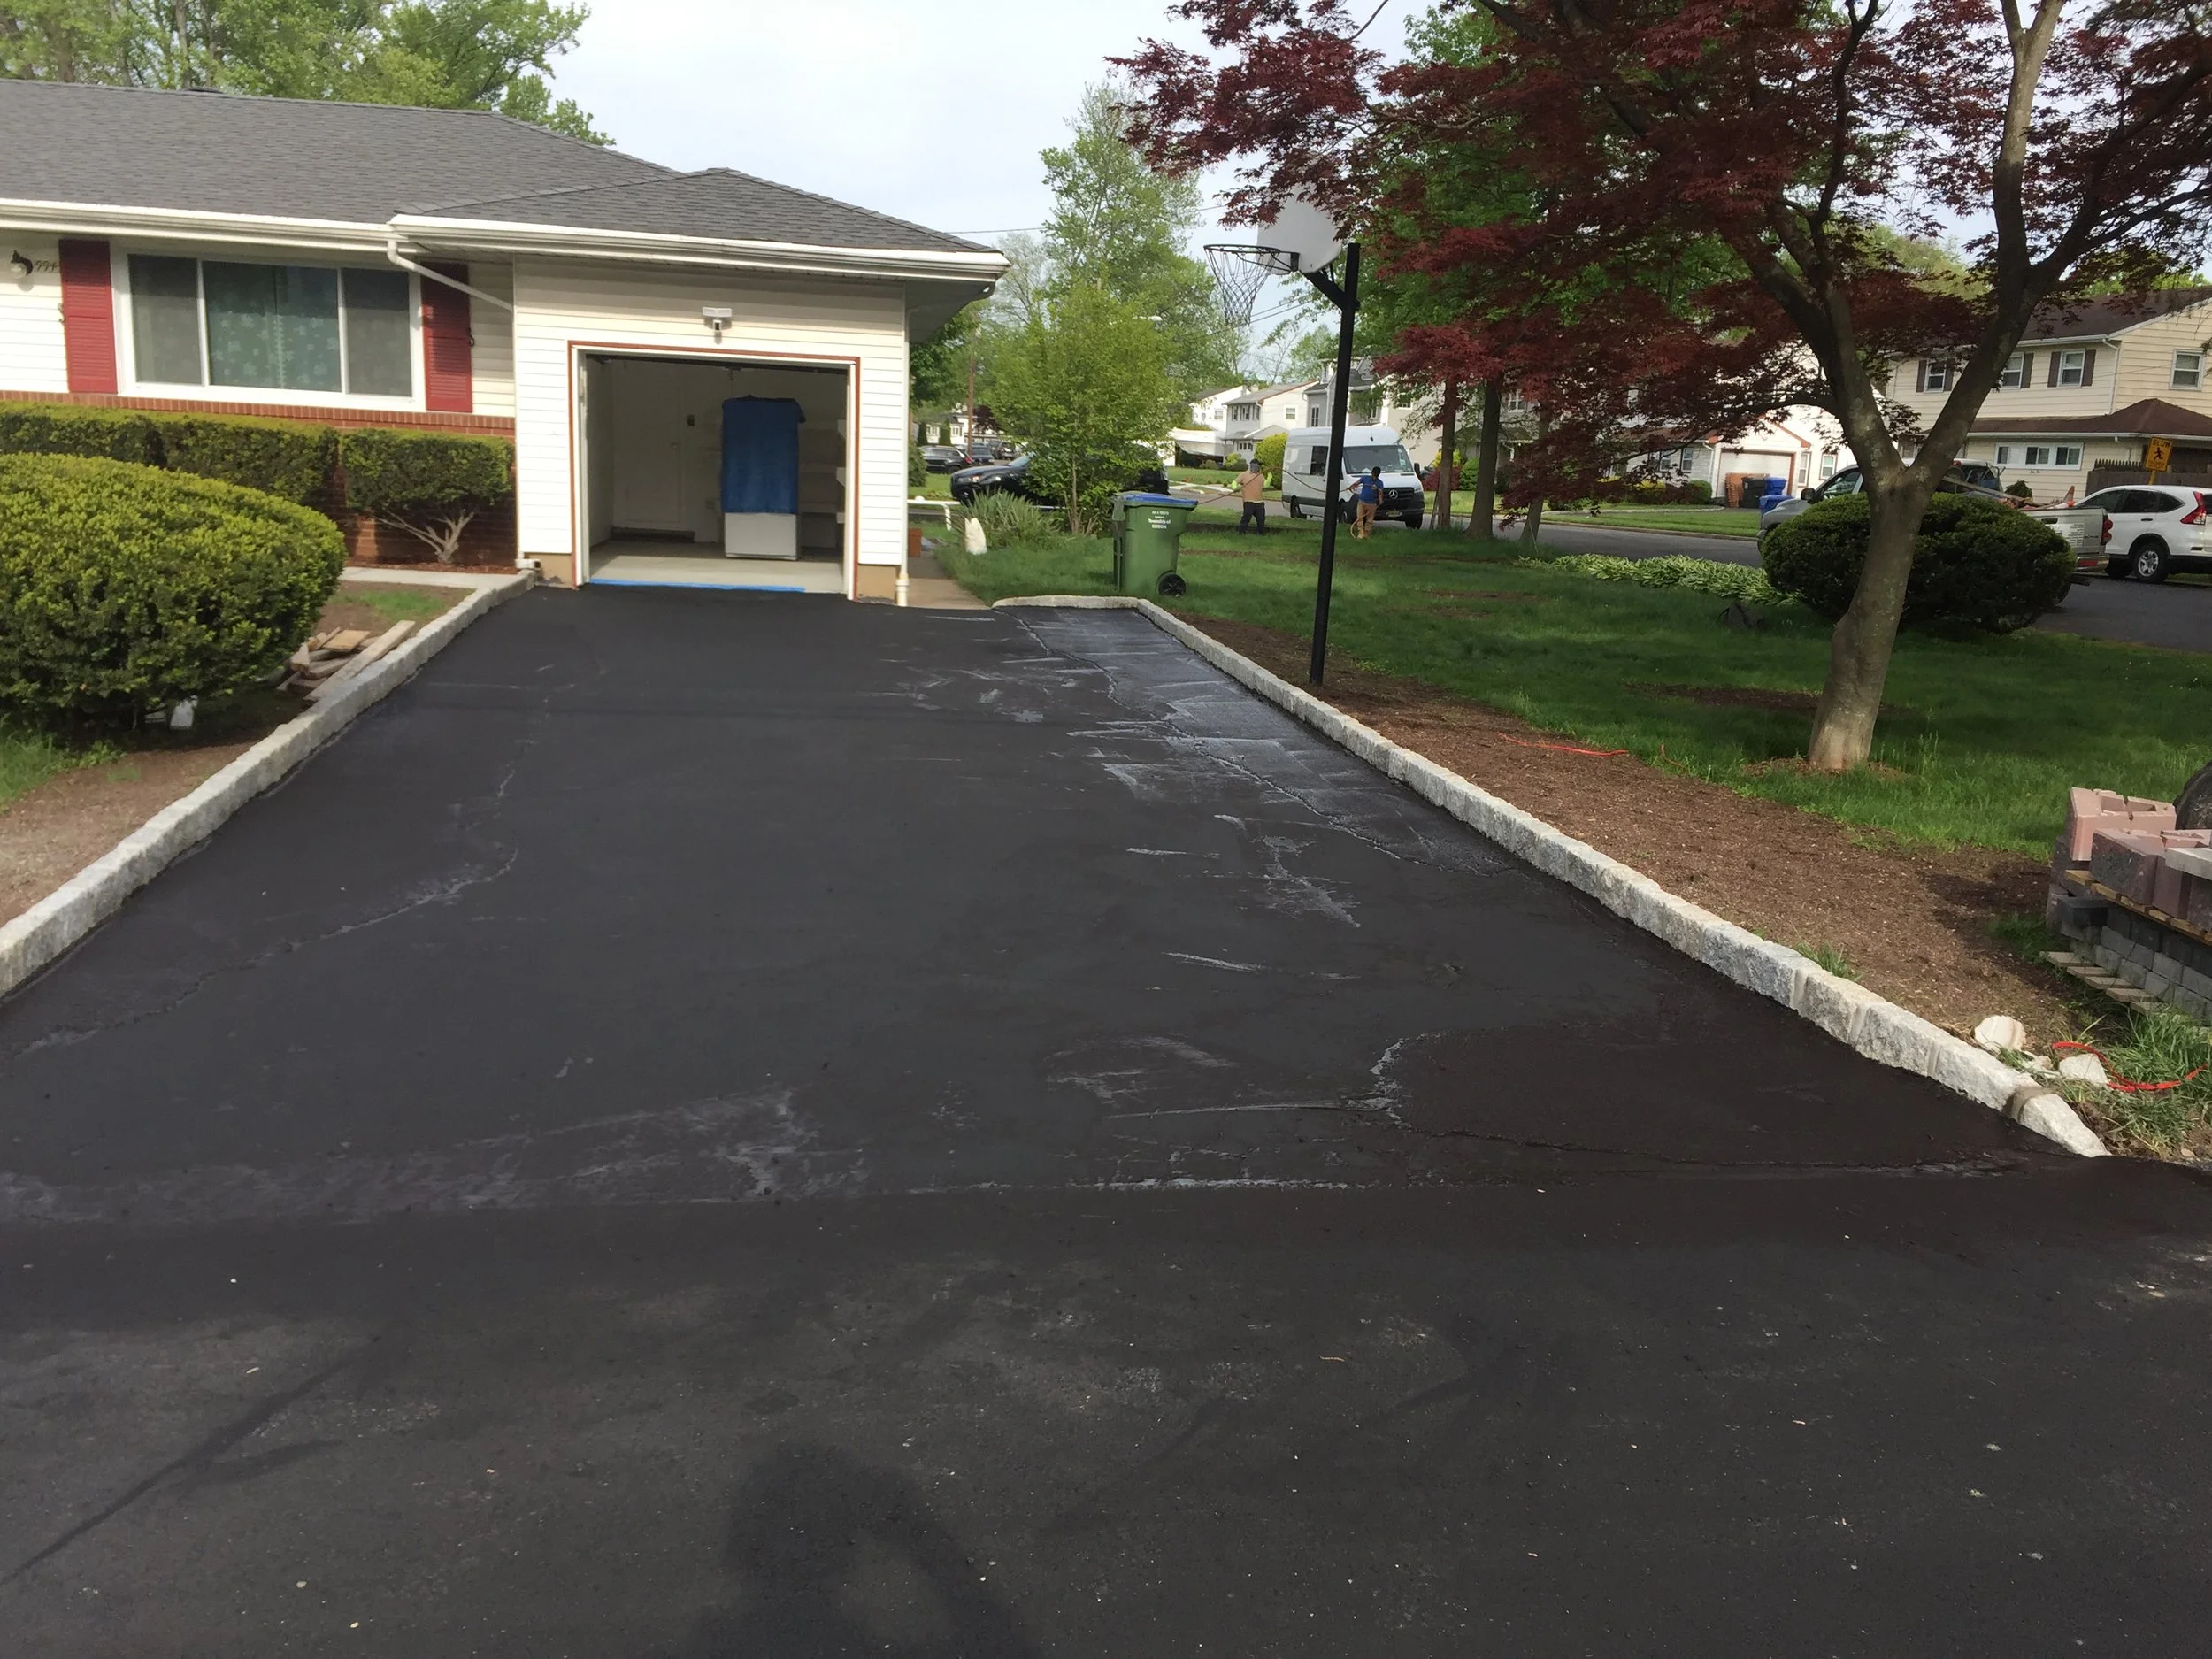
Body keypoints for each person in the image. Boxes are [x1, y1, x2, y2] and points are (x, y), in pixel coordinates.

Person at [1349, 465, 1384, 540]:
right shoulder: (1365, 478)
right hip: (1362, 501)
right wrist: (1351, 486)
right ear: (1372, 473)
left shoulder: (1379, 483)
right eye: (1374, 475)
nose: (1374, 477)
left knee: (1370, 520)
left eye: (1376, 476)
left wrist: (1380, 500)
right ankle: (1361, 533)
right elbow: (1357, 483)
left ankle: (1367, 534)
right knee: (1359, 517)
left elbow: (1380, 493)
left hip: (1372, 504)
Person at [1236, 457, 1269, 534]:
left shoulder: (1260, 475)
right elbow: (1235, 482)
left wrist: (1269, 478)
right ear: (1253, 466)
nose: (1259, 467)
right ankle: (1241, 532)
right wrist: (1235, 487)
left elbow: (1266, 485)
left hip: (1259, 501)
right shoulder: (1244, 475)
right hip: (1248, 501)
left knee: (1261, 518)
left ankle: (1261, 532)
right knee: (1246, 517)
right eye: (1258, 465)